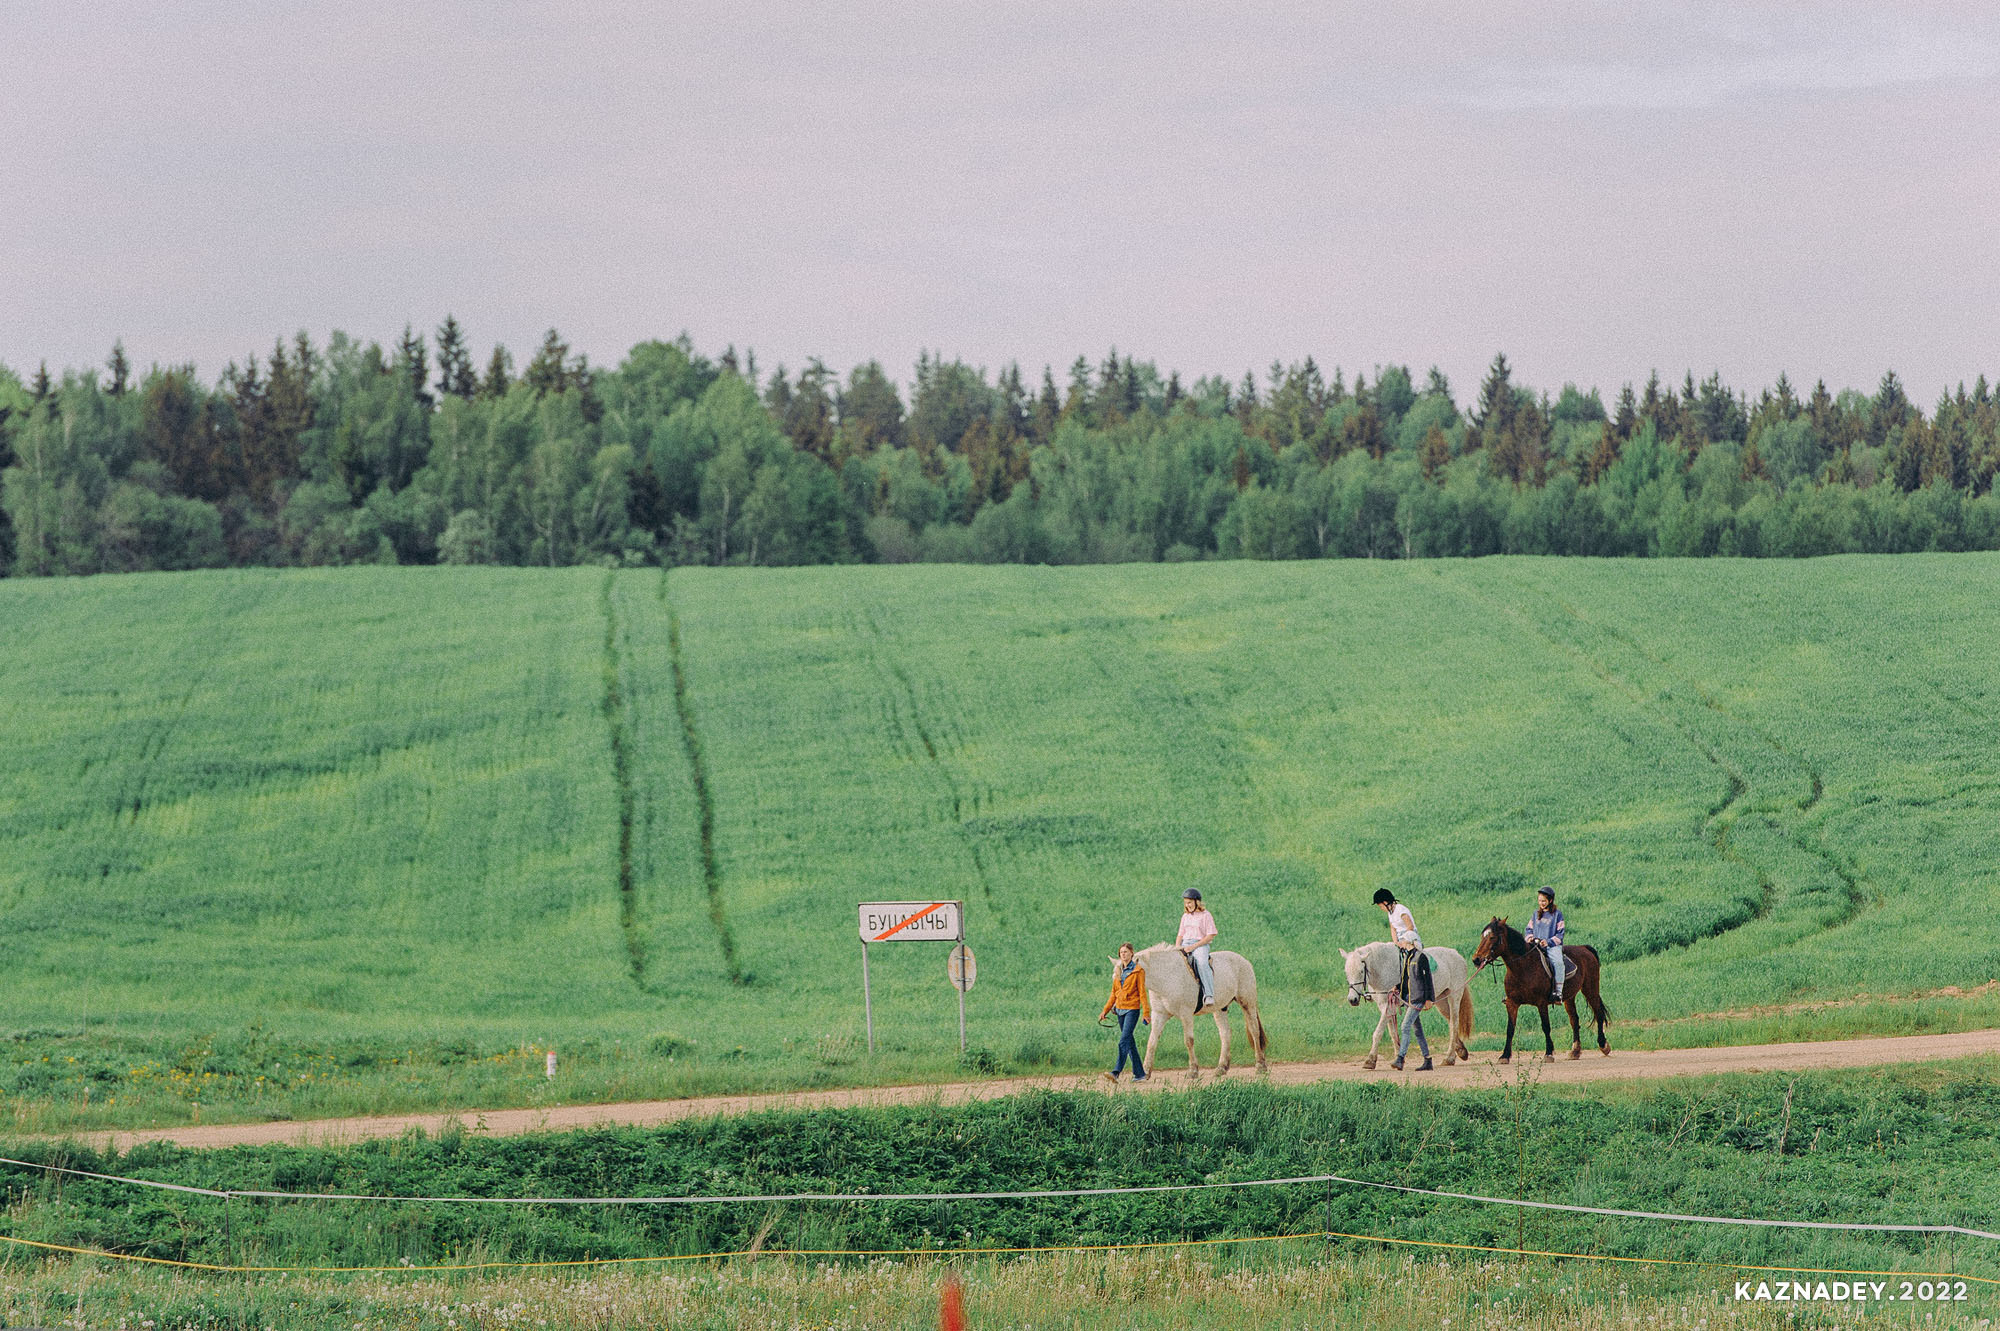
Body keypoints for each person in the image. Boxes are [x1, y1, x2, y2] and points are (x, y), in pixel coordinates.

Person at [1374, 888, 1433, 1071]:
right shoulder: (1391, 916)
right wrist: (1397, 986)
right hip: (1408, 991)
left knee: (1406, 1026)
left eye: (1380, 905)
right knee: (1417, 1029)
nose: (1380, 908)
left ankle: (1400, 1058)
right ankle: (1427, 1059)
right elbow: (1393, 931)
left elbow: (1409, 927)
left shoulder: (1401, 910)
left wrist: (1429, 998)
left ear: (1386, 901)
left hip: (1417, 996)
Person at [1098, 942, 1151, 1083]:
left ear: (1132, 954)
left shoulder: (1138, 971)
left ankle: (1115, 1072)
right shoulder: (1118, 972)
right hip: (1120, 1011)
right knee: (1129, 1043)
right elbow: (1113, 994)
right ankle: (1140, 1074)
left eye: (1126, 952)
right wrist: (1105, 1010)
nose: (1123, 954)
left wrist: (1146, 1013)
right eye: (1121, 952)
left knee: (1123, 1041)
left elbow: (1142, 993)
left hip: (1132, 1010)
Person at [1178, 889, 1218, 1011]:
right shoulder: (1185, 916)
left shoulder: (1206, 915)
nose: (1187, 905)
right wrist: (1177, 947)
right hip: (1185, 943)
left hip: (1200, 944)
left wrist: (1193, 947)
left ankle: (1209, 994)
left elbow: (1210, 935)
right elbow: (1180, 934)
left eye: (1189, 902)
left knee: (1201, 962)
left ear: (1197, 902)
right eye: (1186, 902)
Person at [1527, 887, 1566, 1002]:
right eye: (1539, 901)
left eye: (1544, 901)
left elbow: (1560, 933)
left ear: (1550, 900)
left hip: (1552, 946)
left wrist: (1548, 942)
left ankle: (1558, 992)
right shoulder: (1535, 914)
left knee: (1558, 963)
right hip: (1536, 945)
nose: (1541, 903)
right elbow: (1529, 929)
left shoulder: (1557, 915)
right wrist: (1530, 938)